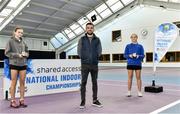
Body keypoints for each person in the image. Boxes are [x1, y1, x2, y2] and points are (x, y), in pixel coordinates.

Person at [77, 22, 102, 109]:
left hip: (94, 65)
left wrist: (94, 59)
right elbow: (79, 51)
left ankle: (95, 100)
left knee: (94, 82)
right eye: (88, 27)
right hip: (85, 65)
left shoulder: (97, 39)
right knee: (83, 83)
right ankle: (82, 101)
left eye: (91, 27)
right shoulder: (82, 39)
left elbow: (99, 51)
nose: (90, 29)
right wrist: (84, 59)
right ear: (86, 29)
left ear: (93, 29)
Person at [5, 27, 29, 108]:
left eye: (22, 33)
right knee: (14, 83)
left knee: (22, 83)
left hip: (23, 64)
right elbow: (7, 53)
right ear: (15, 32)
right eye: (19, 32)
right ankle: (12, 101)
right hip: (14, 64)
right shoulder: (10, 41)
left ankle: (22, 100)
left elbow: (27, 52)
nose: (20, 34)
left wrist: (26, 54)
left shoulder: (23, 42)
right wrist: (17, 55)